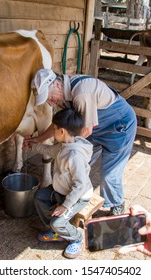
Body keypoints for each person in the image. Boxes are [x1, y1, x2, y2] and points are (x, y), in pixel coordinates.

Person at [26, 69, 137, 215]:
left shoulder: (81, 92)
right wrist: (38, 139)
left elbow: (86, 130)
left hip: (119, 127)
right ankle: (72, 199)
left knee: (109, 174)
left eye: (49, 97)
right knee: (75, 167)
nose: (51, 103)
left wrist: (65, 149)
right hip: (94, 128)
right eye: (47, 100)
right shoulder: (62, 96)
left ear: (58, 85)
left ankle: (117, 205)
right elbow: (60, 124)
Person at [29, 107, 94, 259]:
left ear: (62, 131)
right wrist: (31, 145)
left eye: (55, 129)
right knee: (39, 196)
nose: (53, 132)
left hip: (78, 196)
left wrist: (66, 205)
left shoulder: (74, 155)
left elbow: (80, 185)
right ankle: (55, 231)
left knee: (58, 222)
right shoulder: (64, 145)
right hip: (61, 190)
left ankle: (76, 238)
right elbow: (50, 150)